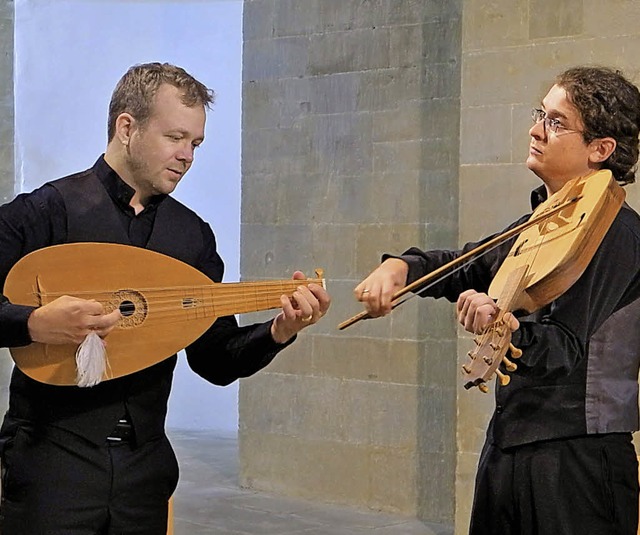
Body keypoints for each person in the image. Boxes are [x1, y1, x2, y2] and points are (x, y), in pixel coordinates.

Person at [0, 62, 330, 534]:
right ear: (127, 127)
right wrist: (31, 324)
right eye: (175, 137)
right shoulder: (47, 212)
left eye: (195, 143)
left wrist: (280, 330)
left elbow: (214, 359)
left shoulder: (191, 236)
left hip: (145, 469)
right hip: (52, 463)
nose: (187, 155)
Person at [354, 66, 640, 534]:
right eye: (539, 115)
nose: (535, 129)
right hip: (509, 443)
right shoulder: (543, 222)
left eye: (555, 121)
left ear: (601, 149)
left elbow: (565, 345)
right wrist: (401, 267)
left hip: (577, 460)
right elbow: (465, 264)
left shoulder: (621, 235)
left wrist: (505, 326)